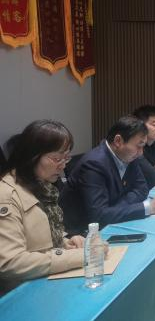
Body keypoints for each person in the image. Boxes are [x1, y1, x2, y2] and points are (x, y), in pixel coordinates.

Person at [0, 120, 86, 292]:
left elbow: (40, 237)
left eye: (66, 158)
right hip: (22, 292)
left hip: (47, 280)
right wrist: (78, 257)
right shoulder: (6, 196)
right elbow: (10, 262)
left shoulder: (42, 186)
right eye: (57, 159)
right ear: (32, 156)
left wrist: (65, 241)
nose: (63, 166)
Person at [60, 116, 155, 233]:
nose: (141, 152)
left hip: (111, 222)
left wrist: (114, 208)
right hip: (81, 233)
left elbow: (142, 189)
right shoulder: (94, 164)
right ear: (118, 141)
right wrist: (148, 208)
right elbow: (99, 216)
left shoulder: (129, 155)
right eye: (139, 145)